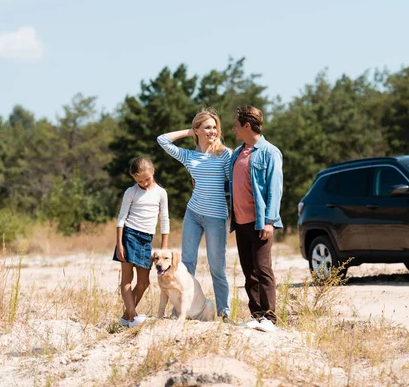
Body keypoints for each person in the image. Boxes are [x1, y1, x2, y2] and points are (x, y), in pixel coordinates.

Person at [157, 108, 232, 321]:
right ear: (197, 129)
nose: (213, 131)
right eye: (207, 127)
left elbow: (235, 181)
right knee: (185, 264)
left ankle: (223, 315)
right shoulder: (189, 156)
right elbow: (162, 140)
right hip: (193, 214)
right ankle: (180, 312)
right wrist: (189, 132)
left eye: (215, 127)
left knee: (217, 267)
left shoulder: (225, 154)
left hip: (216, 216)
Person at [230, 106, 283, 333]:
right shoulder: (236, 154)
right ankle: (256, 314)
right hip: (240, 222)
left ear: (247, 126)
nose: (233, 128)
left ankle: (269, 318)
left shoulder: (270, 152)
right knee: (248, 270)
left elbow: (275, 189)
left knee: (263, 270)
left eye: (235, 124)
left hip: (260, 222)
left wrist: (270, 221)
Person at [114, 157, 169, 327]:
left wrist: (164, 246)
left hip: (147, 239)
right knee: (127, 279)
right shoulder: (131, 192)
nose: (144, 183)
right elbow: (121, 218)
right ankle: (132, 317)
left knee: (144, 282)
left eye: (147, 179)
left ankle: (125, 318)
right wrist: (120, 244)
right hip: (129, 235)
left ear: (152, 172)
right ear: (134, 179)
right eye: (139, 181)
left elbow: (165, 219)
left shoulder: (161, 193)